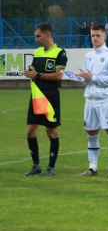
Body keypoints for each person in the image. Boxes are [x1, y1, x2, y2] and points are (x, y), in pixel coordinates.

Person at [76, 24, 108, 177]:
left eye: (98, 35)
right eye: (92, 36)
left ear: (105, 36)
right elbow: (86, 79)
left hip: (105, 100)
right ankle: (92, 168)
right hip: (89, 99)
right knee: (91, 134)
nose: (95, 38)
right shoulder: (88, 55)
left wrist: (93, 78)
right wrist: (81, 78)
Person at [24, 23, 67, 177]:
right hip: (37, 95)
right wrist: (30, 72)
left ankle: (51, 167)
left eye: (38, 36)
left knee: (51, 130)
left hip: (50, 95)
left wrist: (38, 75)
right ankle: (36, 165)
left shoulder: (60, 53)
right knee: (30, 130)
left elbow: (58, 75)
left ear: (47, 34)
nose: (36, 39)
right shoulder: (37, 52)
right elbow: (35, 70)